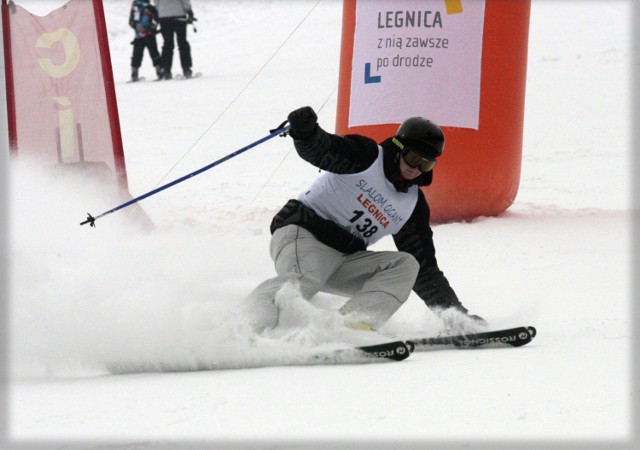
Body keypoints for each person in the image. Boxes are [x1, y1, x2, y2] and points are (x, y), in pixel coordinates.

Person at [243, 106, 485, 333]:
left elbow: (426, 270)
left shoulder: (412, 205)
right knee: (303, 281)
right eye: (413, 159)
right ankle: (246, 330)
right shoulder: (366, 157)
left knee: (407, 265)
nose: (416, 169)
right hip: (304, 235)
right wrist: (307, 133)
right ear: (399, 148)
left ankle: (350, 327)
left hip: (344, 259)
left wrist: (455, 315)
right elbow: (323, 150)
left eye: (426, 163)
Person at [155, 0, 195, 79]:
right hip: (179, 15)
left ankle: (166, 70)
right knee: (182, 42)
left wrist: (158, 11)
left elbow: (156, 2)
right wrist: (189, 11)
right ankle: (186, 69)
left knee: (167, 44)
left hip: (164, 16)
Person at [128, 0, 163, 81]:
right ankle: (159, 71)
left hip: (138, 35)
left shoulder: (135, 7)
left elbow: (131, 22)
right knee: (154, 53)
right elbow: (157, 19)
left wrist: (138, 30)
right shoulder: (150, 7)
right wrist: (152, 28)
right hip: (149, 34)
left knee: (137, 54)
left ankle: (134, 74)